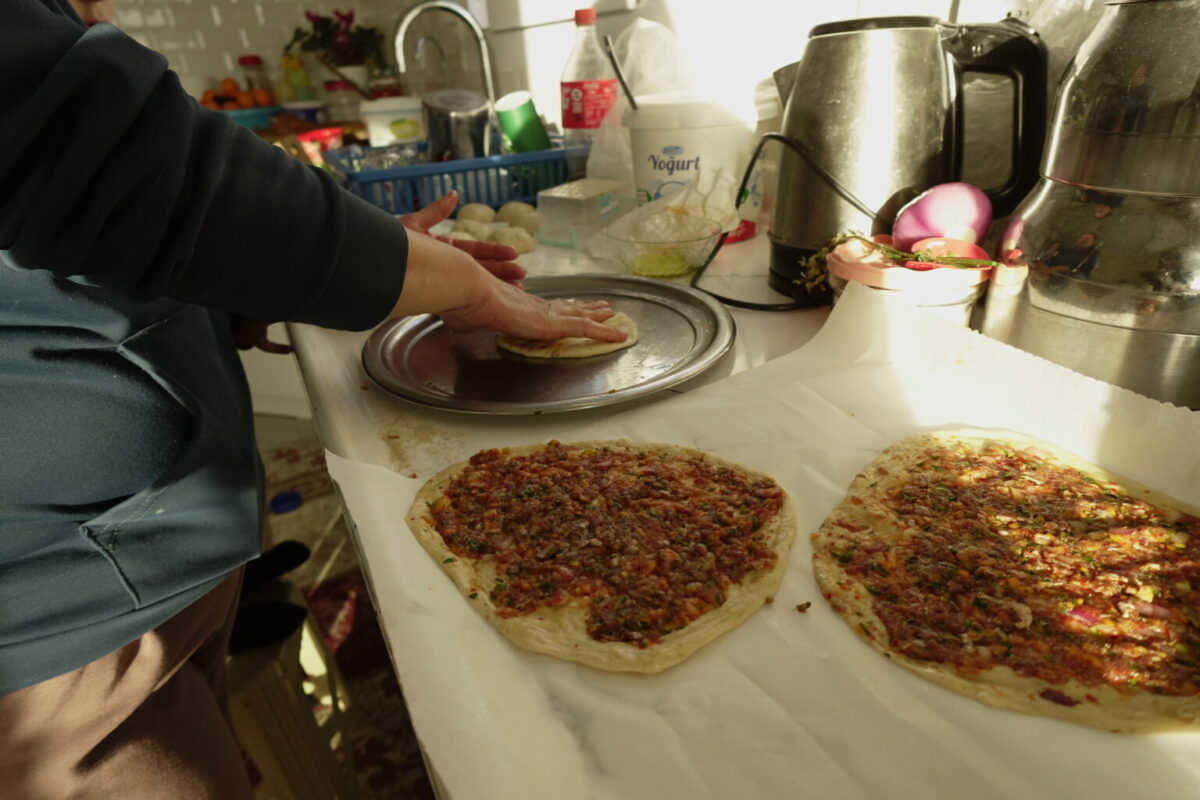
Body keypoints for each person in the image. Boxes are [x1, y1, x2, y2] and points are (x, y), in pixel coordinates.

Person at [0, 1, 626, 797]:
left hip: (146, 565)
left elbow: (59, 253)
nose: (107, 9)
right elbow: (141, 168)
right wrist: (451, 281)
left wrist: (252, 293)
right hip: (54, 629)